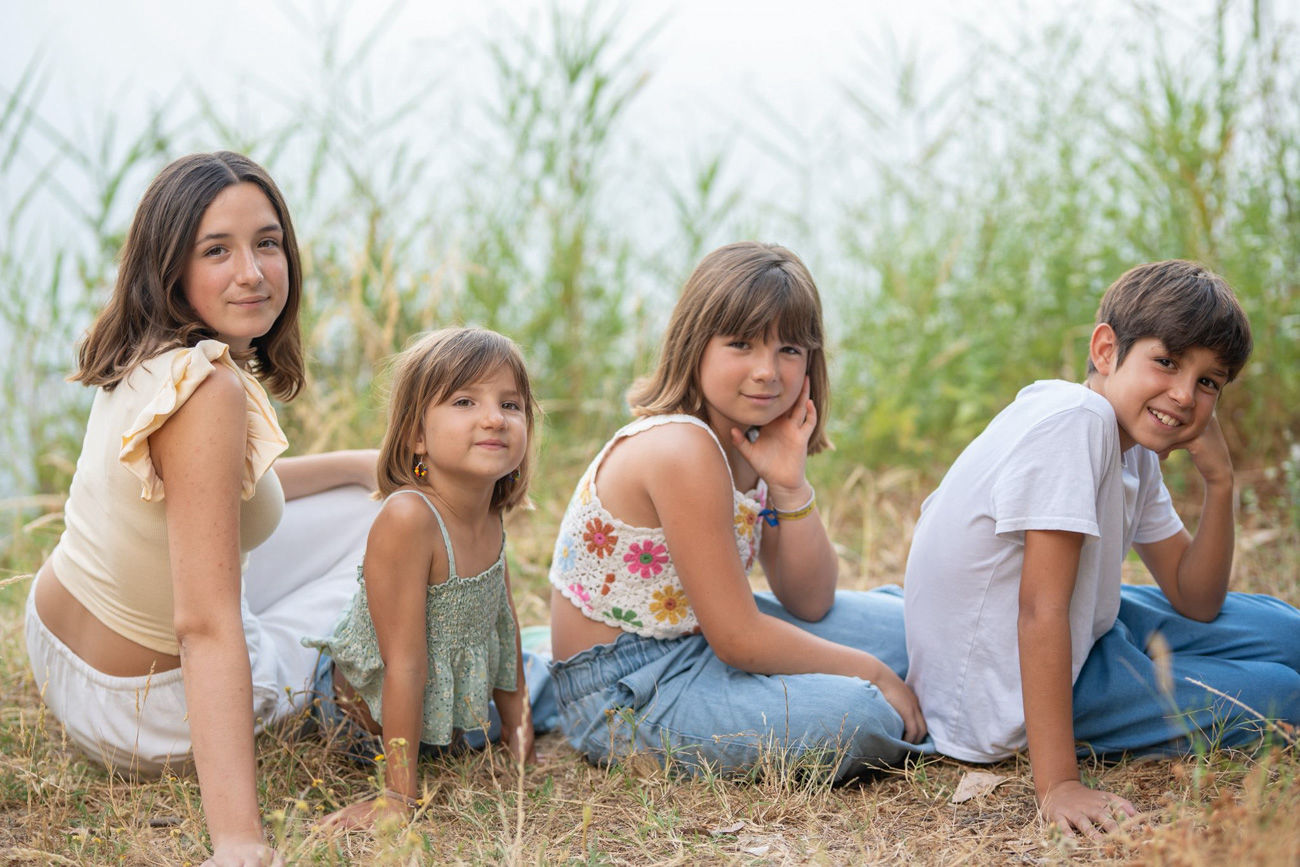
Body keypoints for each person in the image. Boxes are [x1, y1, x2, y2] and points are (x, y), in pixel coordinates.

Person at [24, 151, 380, 867]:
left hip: (61, 647)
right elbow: (205, 624)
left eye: (267, 243)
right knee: (399, 554)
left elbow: (208, 493)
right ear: (171, 267)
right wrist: (240, 844)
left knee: (371, 500)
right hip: (145, 712)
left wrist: (361, 464)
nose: (251, 271)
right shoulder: (208, 391)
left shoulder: (150, 351)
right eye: (216, 250)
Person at [903, 260, 1300, 837]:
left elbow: (1196, 598)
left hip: (1083, 628)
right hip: (1005, 688)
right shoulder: (1077, 422)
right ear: (1106, 349)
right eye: (1166, 362)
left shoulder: (1130, 440)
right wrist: (1059, 785)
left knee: (1289, 634)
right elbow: (1040, 610)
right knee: (1285, 696)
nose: (1185, 395)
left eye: (1208, 381)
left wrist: (1220, 484)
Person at [547, 241, 928, 782]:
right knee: (857, 713)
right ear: (694, 345)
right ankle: (912, 714)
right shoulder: (682, 448)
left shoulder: (746, 438)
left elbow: (809, 600)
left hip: (705, 640)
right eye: (742, 344)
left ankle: (918, 695)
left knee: (919, 627)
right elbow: (740, 639)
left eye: (789, 350)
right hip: (630, 690)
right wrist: (871, 673)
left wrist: (788, 484)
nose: (767, 372)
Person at [302, 327, 546, 829]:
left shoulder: (488, 508)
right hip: (365, 723)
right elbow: (405, 665)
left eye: (511, 404)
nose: (494, 418)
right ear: (417, 434)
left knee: (546, 669)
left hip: (445, 714)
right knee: (554, 677)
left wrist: (520, 738)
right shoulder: (410, 518)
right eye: (464, 401)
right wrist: (397, 798)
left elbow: (503, 624)